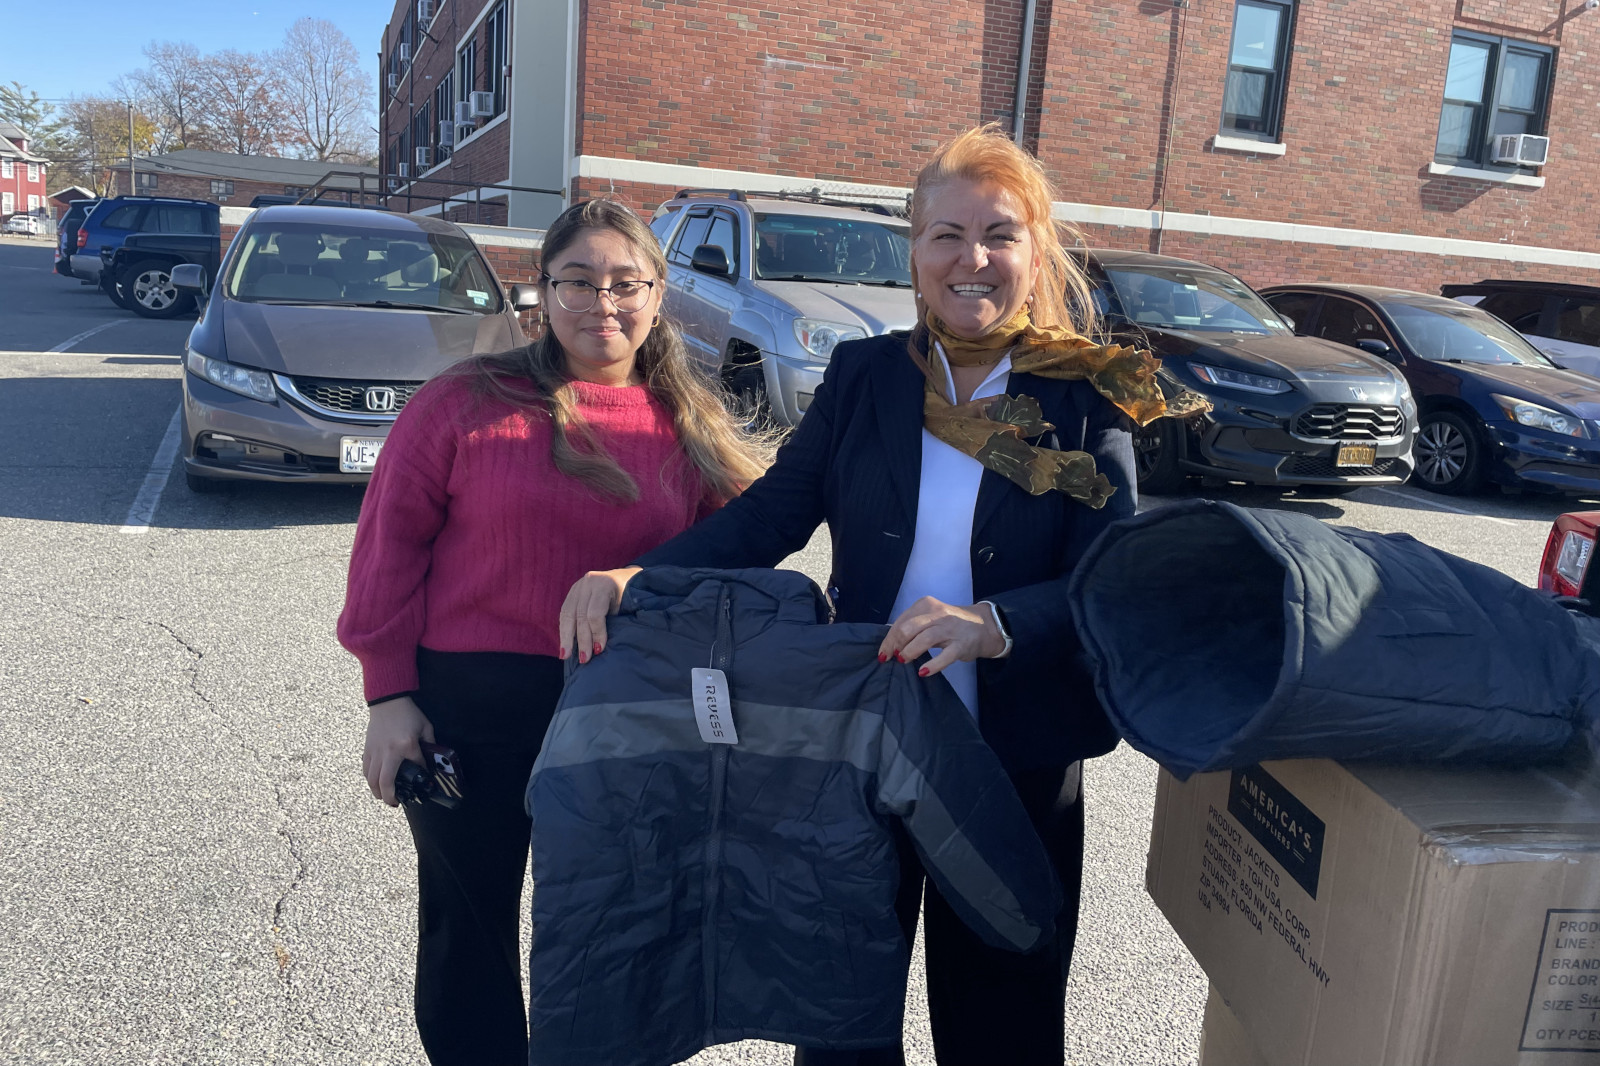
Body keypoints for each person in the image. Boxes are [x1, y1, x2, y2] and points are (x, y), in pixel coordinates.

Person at [560, 125, 1190, 1065]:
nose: (971, 259)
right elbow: (772, 513)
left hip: (1014, 763)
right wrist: (640, 576)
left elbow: (1115, 576)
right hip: (862, 754)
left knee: (1005, 1020)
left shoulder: (1083, 399)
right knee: (842, 1014)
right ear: (915, 249)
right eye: (946, 234)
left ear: (1035, 248)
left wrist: (998, 624)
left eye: (999, 234)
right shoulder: (867, 379)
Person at [337, 198, 767, 1066]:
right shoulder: (464, 402)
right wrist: (389, 695)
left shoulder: (690, 425)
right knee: (470, 924)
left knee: (614, 928)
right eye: (577, 280)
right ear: (542, 290)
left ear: (657, 293)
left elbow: (741, 560)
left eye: (624, 283)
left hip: (626, 715)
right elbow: (388, 551)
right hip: (469, 711)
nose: (600, 303)